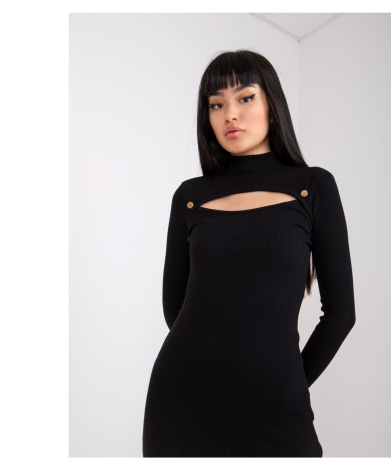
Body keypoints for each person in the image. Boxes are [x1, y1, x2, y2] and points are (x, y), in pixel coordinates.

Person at [142, 49, 356, 457]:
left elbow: (341, 314)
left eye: (245, 97)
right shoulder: (190, 196)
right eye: (216, 104)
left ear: (272, 105)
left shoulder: (313, 187)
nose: (230, 114)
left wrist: (288, 382)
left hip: (276, 403)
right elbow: (175, 307)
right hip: (183, 399)